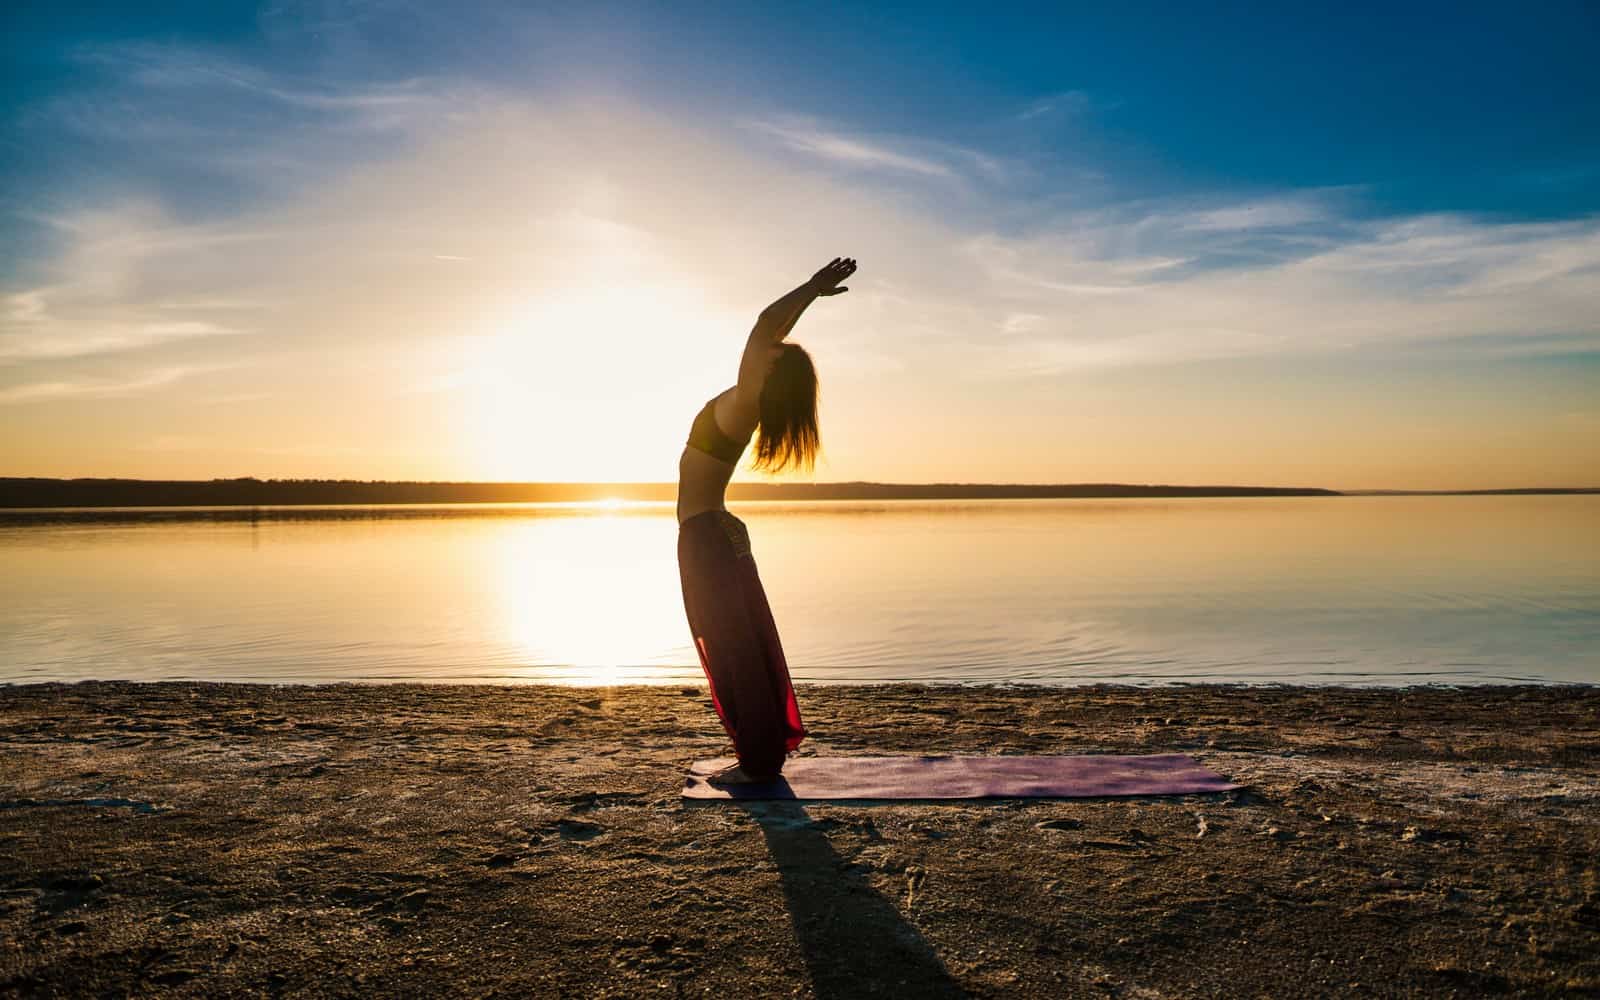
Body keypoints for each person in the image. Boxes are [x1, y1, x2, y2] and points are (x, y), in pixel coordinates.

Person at [677, 256, 858, 784]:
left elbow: (762, 326)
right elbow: (768, 333)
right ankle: (758, 753)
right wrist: (809, 297)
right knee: (741, 642)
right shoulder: (746, 404)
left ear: (768, 372)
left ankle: (757, 762)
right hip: (716, 531)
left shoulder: (743, 402)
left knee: (732, 646)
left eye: (770, 355)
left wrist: (809, 289)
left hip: (707, 534)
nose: (762, 350)